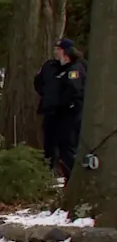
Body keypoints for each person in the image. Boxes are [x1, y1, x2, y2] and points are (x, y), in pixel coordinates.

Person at [34, 38, 87, 181]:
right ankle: (48, 175)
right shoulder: (50, 66)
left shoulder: (76, 68)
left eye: (58, 49)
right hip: (51, 112)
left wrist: (67, 104)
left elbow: (76, 91)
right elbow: (39, 82)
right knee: (49, 147)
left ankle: (71, 178)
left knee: (67, 147)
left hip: (69, 115)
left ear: (66, 51)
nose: (55, 51)